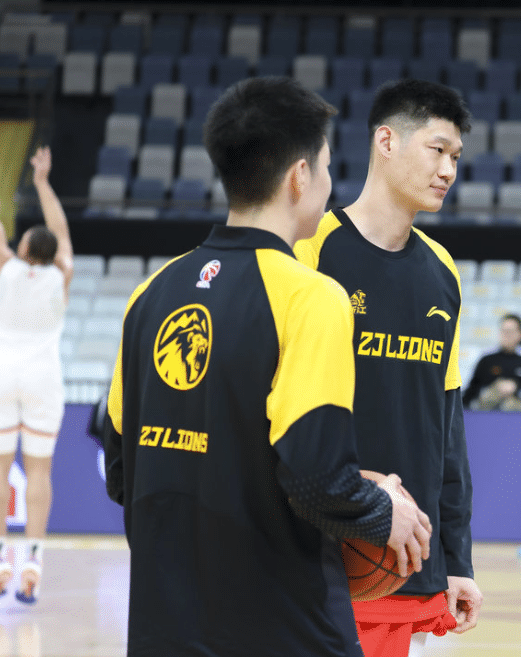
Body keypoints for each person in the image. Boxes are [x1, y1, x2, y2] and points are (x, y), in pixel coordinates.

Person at [102, 77, 431, 656]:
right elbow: (316, 482)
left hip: (163, 628)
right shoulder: (310, 298)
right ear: (300, 176)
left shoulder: (149, 295)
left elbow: (121, 473)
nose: (329, 185)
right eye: (326, 168)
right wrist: (385, 515)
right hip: (284, 629)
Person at [294, 78, 481, 656]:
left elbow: (445, 426)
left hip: (413, 568)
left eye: (456, 157)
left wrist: (457, 558)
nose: (448, 170)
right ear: (386, 141)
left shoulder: (443, 272)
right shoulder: (311, 250)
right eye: (437, 149)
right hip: (321, 563)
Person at [0, 146, 72, 603]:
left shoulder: (6, 269)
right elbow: (60, 230)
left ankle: (0, 561)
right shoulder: (60, 275)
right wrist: (44, 182)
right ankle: (33, 562)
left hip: (3, 375)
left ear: (23, 248)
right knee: (40, 471)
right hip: (44, 379)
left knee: (1, 470)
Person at [463, 314, 521, 410]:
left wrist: (516, 386)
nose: (506, 335)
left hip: (518, 407)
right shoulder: (486, 358)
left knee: (510, 405)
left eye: (510, 331)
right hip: (487, 406)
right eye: (503, 331)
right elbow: (473, 388)